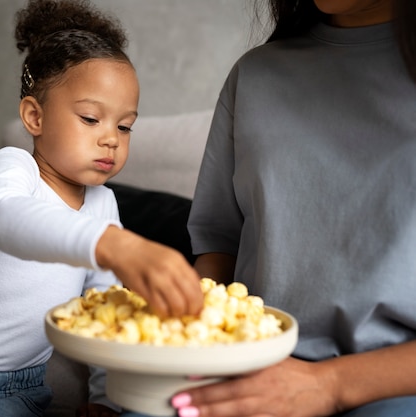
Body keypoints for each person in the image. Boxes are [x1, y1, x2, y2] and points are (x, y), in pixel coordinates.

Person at [0, 1, 203, 416]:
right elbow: (6, 219)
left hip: (18, 393)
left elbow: (105, 310)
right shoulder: (14, 167)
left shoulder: (103, 204)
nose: (111, 139)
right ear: (34, 116)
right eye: (90, 118)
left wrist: (104, 399)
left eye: (124, 125)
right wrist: (114, 245)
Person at [159, 0, 416, 416]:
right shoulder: (255, 75)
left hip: (393, 386)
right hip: (251, 367)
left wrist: (326, 385)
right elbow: (218, 246)